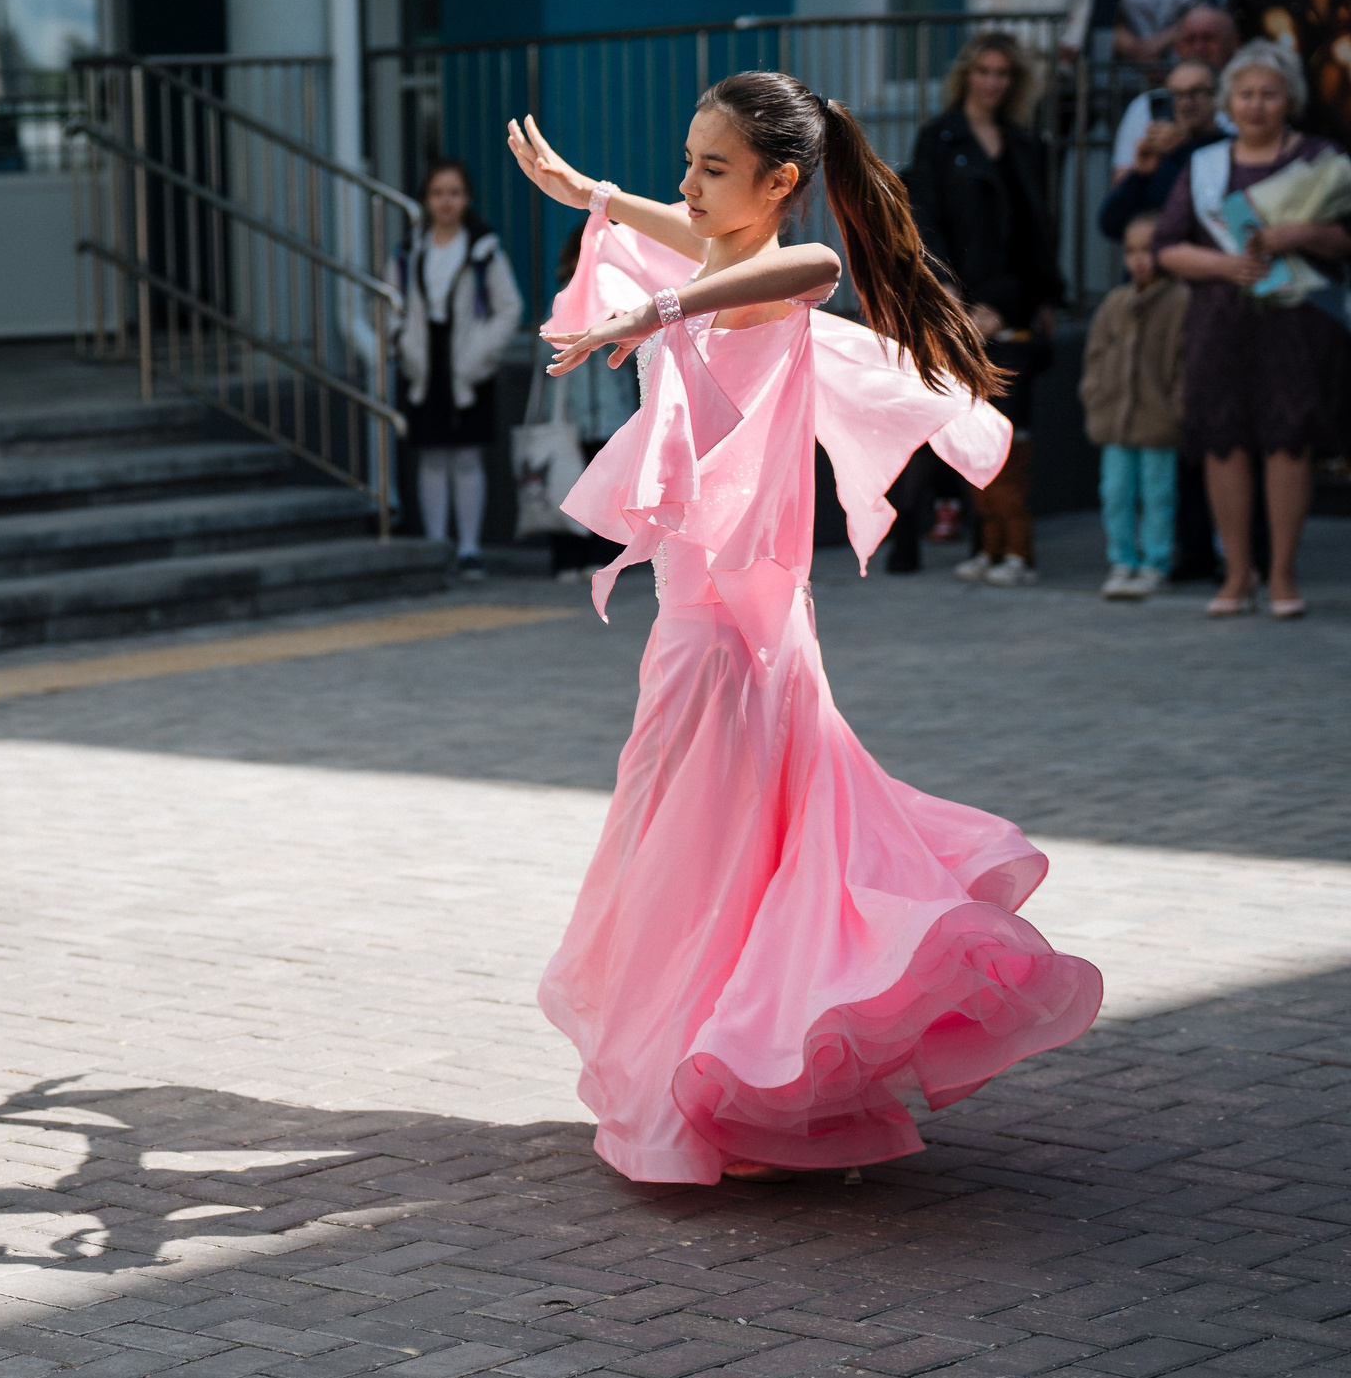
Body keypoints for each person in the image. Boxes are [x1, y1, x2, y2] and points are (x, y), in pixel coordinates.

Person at [506, 76, 1100, 1187]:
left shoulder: (780, 278)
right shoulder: (715, 260)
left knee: (698, 847)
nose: (687, 184)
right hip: (719, 623)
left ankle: (706, 1073)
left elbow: (809, 268)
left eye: (711, 168)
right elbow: (690, 235)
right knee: (700, 847)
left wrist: (653, 310)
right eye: (686, 161)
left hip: (735, 636)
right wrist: (592, 194)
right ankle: (722, 1062)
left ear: (780, 182)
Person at [1153, 41, 1351, 620]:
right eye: (1246, 94)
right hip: (1220, 320)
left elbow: (1344, 241)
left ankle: (1283, 577)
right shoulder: (1205, 166)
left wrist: (1298, 235)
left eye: (1269, 93)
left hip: (1297, 321)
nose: (1257, 105)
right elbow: (1166, 248)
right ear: (1228, 103)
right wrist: (1222, 265)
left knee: (1288, 441)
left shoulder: (1321, 158)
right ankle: (1237, 577)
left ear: (1289, 99)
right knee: (1224, 441)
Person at [903, 31, 1064, 586]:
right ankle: (983, 543)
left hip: (1012, 303)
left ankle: (1014, 549)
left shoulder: (1027, 144)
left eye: (1004, 73)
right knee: (966, 423)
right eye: (984, 71)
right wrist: (947, 296)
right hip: (955, 304)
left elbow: (1039, 235)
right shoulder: (938, 137)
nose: (993, 82)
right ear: (966, 74)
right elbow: (922, 223)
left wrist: (1014, 302)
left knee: (1012, 425)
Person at [387, 159, 522, 578]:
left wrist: (482, 353)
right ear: (426, 200)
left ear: (467, 199)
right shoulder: (410, 249)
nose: (446, 201)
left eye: (455, 193)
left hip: (467, 363)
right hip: (424, 362)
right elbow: (389, 304)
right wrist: (400, 342)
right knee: (430, 456)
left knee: (466, 457)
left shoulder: (483, 248)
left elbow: (509, 307)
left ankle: (468, 549)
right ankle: (434, 546)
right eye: (438, 193)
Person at [1080, 214, 1188, 599]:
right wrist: (1095, 396)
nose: (1139, 259)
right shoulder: (1115, 303)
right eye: (1131, 251)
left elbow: (1184, 362)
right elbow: (1095, 357)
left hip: (1158, 422)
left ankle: (1155, 563)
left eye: (1148, 249)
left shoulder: (1180, 301)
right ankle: (1122, 560)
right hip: (1115, 421)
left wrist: (1177, 409)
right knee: (1115, 491)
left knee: (1159, 494)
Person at [538, 235, 639, 578]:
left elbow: (640, 351)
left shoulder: (622, 297)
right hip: (569, 414)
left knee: (608, 487)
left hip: (612, 413)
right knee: (567, 484)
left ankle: (603, 555)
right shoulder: (562, 300)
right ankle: (567, 556)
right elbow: (545, 350)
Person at [1109, 7, 1238, 180]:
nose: (1199, 47)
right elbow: (1120, 189)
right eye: (1190, 40)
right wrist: (1142, 172)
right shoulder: (1149, 105)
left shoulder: (1252, 101)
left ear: (1234, 42)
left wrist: (1187, 145)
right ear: (1177, 47)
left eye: (1209, 38)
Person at [1099, 58, 1222, 239]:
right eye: (1177, 94)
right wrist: (1140, 175)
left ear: (1217, 95)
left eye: (1196, 92)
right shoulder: (1160, 153)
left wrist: (1185, 147)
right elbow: (1111, 225)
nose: (1186, 103)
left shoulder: (1230, 147)